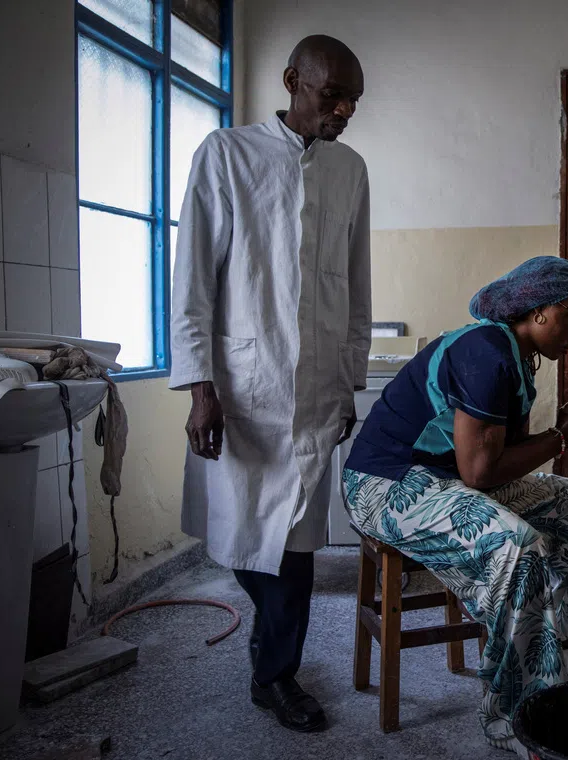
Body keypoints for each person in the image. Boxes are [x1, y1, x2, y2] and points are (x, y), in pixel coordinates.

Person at [169, 35, 371, 733]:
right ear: (291, 81)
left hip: (317, 393)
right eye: (330, 95)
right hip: (243, 387)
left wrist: (347, 383)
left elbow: (356, 289)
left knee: (296, 543)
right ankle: (273, 651)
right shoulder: (225, 155)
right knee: (243, 536)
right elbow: (192, 279)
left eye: (353, 101)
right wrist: (200, 386)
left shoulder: (350, 169)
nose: (342, 110)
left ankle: (275, 673)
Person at [342, 256, 568, 751]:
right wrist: (563, 438)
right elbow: (481, 472)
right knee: (517, 548)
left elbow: (497, 456)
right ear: (539, 312)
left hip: (441, 475)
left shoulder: (516, 356)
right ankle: (517, 714)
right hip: (384, 482)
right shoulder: (486, 353)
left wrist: (560, 432)